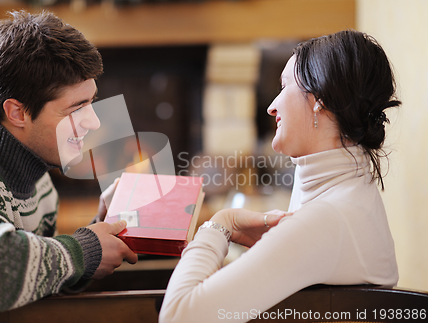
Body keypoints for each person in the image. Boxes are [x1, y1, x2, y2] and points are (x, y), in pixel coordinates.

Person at [159, 30, 400, 323]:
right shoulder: (349, 189)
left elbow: (178, 317)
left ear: (319, 100)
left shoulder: (329, 218)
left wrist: (220, 223)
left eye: (285, 86)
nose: (272, 106)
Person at [0, 10, 137, 312]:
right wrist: (85, 250)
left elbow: (33, 282)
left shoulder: (40, 186)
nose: (93, 122)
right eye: (76, 108)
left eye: (91, 102)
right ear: (17, 113)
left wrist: (99, 231)